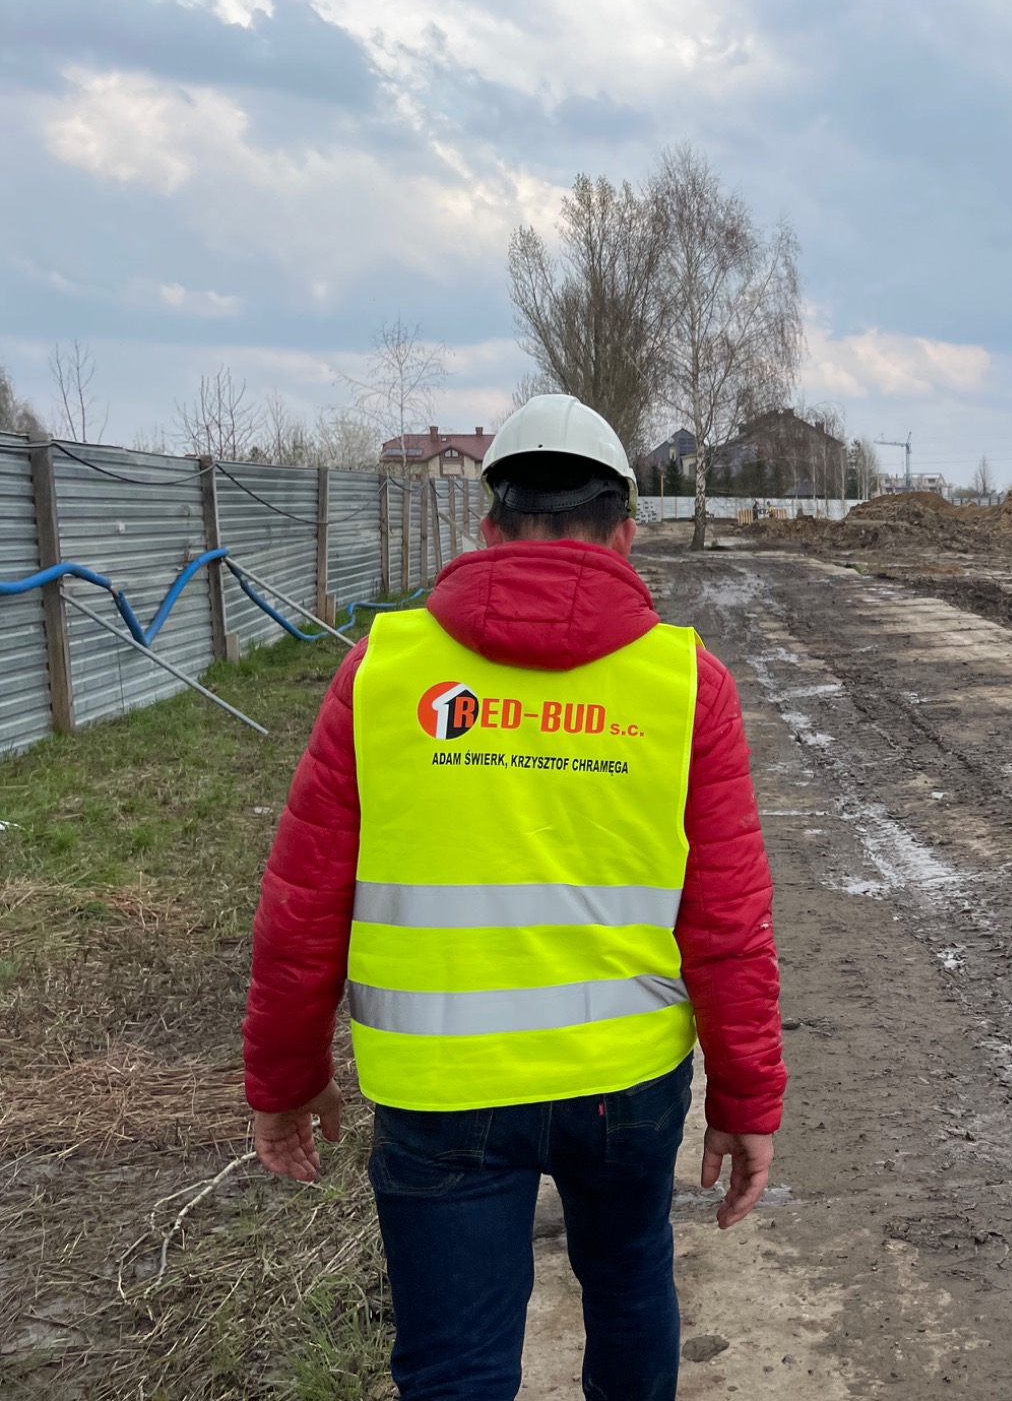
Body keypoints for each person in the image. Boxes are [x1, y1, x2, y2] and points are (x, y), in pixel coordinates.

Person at [242, 394, 784, 1401]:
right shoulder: (683, 684)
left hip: (440, 1092)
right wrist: (746, 1101)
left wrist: (284, 1076)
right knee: (627, 1289)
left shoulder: (383, 673)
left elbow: (301, 904)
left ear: (488, 529)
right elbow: (728, 922)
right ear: (624, 534)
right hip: (623, 1084)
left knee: (454, 1364)